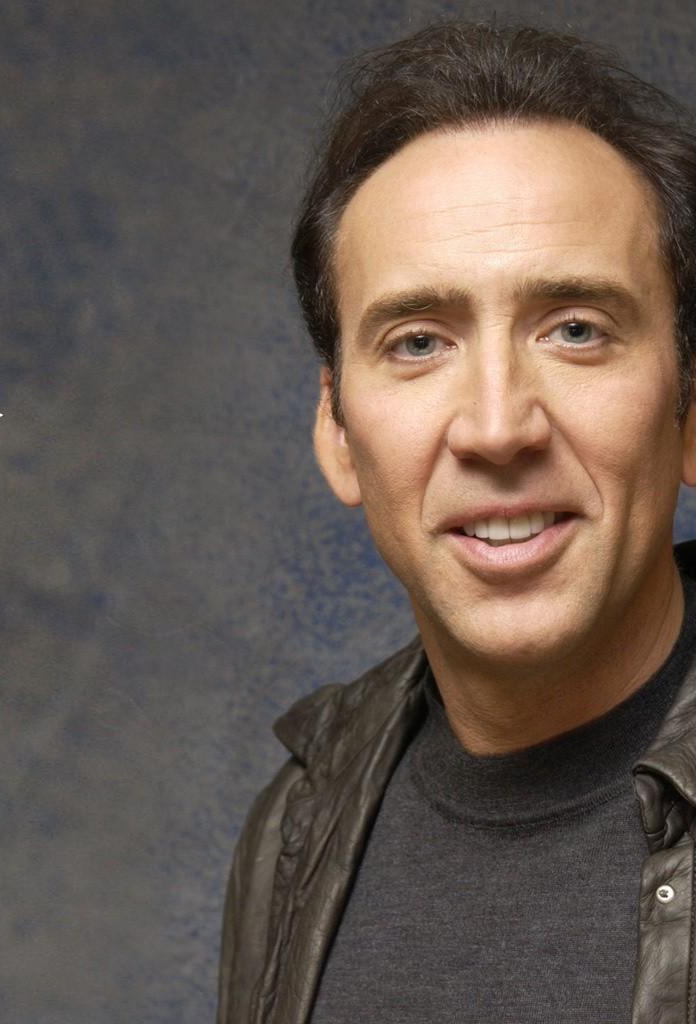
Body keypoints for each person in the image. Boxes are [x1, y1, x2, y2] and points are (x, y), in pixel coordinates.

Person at [217, 19, 696, 1024]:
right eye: (418, 342)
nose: (496, 427)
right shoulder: (297, 826)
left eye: (575, 329)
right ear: (338, 433)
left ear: (689, 412)